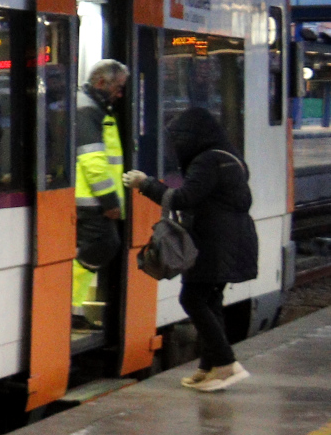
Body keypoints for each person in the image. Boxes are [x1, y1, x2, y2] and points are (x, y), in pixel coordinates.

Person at [127, 105, 259, 391]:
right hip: (232, 240)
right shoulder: (229, 156)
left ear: (193, 136)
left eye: (179, 139)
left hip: (213, 242)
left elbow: (183, 198)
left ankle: (226, 364)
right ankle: (209, 367)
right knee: (211, 301)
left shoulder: (207, 161)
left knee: (192, 299)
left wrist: (145, 184)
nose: (176, 146)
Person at [73, 59, 131, 327]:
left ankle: (73, 309)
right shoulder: (87, 109)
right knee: (102, 246)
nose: (119, 94)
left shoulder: (94, 107)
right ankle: (69, 307)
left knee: (99, 248)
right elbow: (93, 161)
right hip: (91, 200)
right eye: (117, 88)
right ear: (100, 82)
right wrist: (109, 200)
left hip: (91, 198)